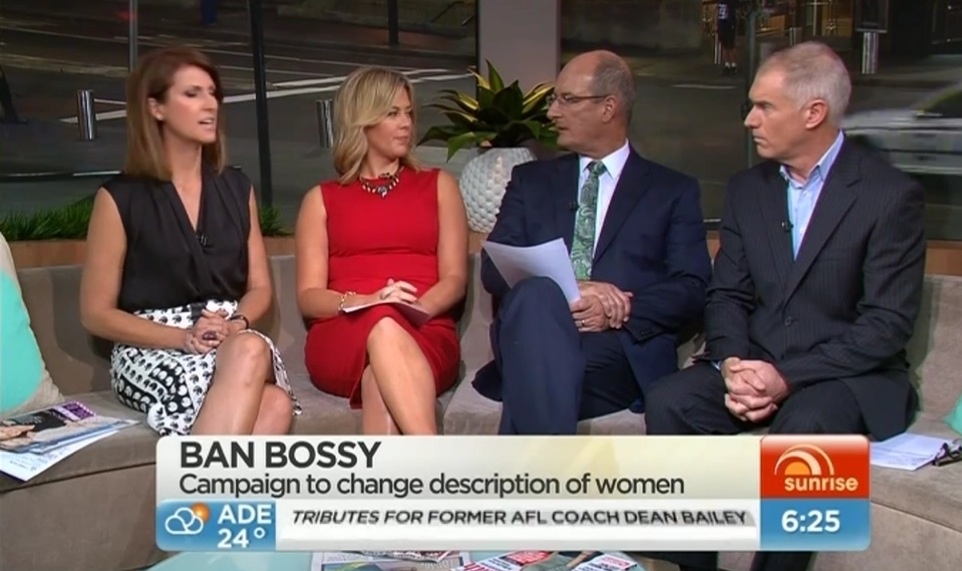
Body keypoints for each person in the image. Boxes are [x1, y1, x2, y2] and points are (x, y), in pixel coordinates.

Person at [644, 41, 926, 571]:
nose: (749, 120)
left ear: (813, 112)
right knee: (670, 401)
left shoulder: (889, 195)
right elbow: (727, 294)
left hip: (845, 376)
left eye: (764, 107)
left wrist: (786, 378)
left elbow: (886, 325)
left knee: (808, 424)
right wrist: (733, 363)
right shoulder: (747, 190)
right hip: (757, 361)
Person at [473, 50, 712, 435]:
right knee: (537, 302)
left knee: (538, 376)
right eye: (554, 99)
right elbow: (493, 269)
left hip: (615, 349)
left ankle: (531, 469)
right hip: (530, 336)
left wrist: (620, 306)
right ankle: (547, 470)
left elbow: (693, 287)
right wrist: (572, 288)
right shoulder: (530, 181)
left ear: (608, 107)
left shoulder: (671, 191)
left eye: (567, 99)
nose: (552, 112)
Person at [80, 46, 299, 437]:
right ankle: (204, 477)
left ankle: (196, 477)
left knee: (263, 375)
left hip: (230, 338)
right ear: (156, 107)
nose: (210, 104)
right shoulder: (120, 198)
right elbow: (96, 313)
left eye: (213, 93)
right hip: (152, 347)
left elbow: (260, 288)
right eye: (192, 93)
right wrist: (182, 337)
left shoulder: (236, 188)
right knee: (269, 395)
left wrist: (236, 324)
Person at [296, 66, 467, 435]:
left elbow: (455, 279)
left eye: (408, 113)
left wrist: (414, 309)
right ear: (363, 120)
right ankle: (438, 461)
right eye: (392, 113)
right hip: (344, 333)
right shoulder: (321, 199)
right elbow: (309, 297)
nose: (406, 124)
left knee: (381, 378)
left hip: (424, 329)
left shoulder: (440, 185)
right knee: (384, 324)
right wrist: (369, 301)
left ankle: (403, 472)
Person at [716, 0, 740, 75]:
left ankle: (733, 64)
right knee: (725, 46)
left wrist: (733, 24)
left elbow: (735, 11)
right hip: (722, 25)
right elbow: (717, 12)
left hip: (729, 25)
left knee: (730, 46)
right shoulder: (720, 2)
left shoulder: (731, 2)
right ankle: (727, 64)